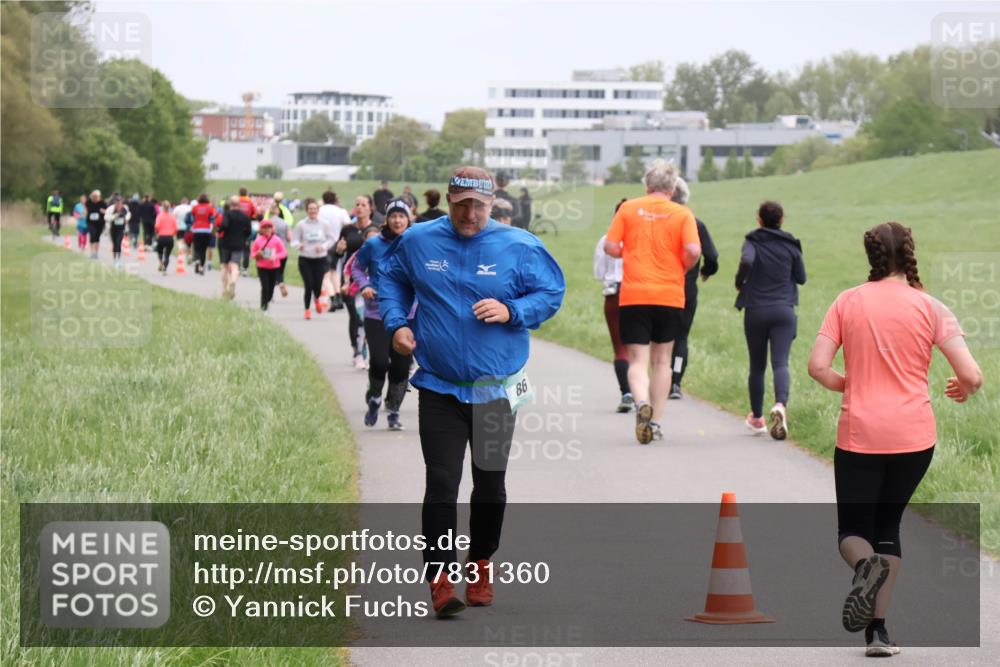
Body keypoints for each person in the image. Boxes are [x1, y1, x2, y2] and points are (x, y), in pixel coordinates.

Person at [378, 166, 565, 617]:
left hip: (496, 390)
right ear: (448, 199)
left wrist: (512, 309)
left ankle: (480, 563)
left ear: (492, 203)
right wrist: (396, 323)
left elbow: (552, 292)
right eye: (461, 204)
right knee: (441, 483)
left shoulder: (519, 245)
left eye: (478, 206)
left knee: (490, 486)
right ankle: (440, 580)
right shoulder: (420, 239)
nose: (469, 213)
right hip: (440, 388)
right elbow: (391, 278)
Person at [807, 221, 982, 657]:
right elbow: (972, 374)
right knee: (888, 526)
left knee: (853, 530)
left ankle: (866, 568)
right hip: (914, 437)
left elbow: (817, 366)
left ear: (871, 256)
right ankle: (878, 635)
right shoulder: (931, 307)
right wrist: (965, 389)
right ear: (909, 253)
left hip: (860, 433)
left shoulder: (847, 302)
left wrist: (849, 384)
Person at [604, 160, 700, 444]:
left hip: (634, 294)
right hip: (669, 295)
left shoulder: (629, 208)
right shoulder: (682, 213)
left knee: (637, 360)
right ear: (672, 188)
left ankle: (641, 401)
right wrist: (681, 265)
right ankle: (655, 421)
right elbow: (694, 249)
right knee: (662, 361)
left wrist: (627, 254)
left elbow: (610, 246)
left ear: (646, 186)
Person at [734, 201, 806, 440]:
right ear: (782, 220)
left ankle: (756, 417)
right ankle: (780, 405)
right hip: (784, 311)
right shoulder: (791, 245)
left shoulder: (753, 241)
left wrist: (739, 282)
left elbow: (746, 261)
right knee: (780, 362)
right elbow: (802, 278)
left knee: (757, 365)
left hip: (756, 309)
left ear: (759, 220)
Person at [352, 198, 416, 430]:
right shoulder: (374, 244)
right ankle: (375, 398)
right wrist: (364, 285)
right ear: (387, 219)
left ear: (409, 219)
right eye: (393, 216)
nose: (398, 220)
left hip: (408, 314)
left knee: (401, 367)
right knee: (379, 361)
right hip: (377, 312)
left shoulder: (417, 242)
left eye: (402, 216)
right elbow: (356, 267)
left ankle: (394, 411)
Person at [668, 178, 719, 400]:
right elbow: (713, 256)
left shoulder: (659, 221)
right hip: (686, 289)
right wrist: (707, 270)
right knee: (681, 337)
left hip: (660, 286)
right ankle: (675, 382)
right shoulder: (695, 223)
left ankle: (654, 378)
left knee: (659, 338)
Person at [594, 199, 633, 412]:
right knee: (638, 349)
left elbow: (599, 273)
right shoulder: (640, 238)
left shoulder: (605, 240)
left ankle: (626, 392)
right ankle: (641, 392)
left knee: (620, 349)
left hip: (613, 294)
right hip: (636, 292)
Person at [336, 195, 378, 365]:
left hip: (371, 281)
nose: (359, 207)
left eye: (363, 204)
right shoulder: (347, 229)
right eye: (357, 204)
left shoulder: (376, 230)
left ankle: (366, 349)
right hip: (350, 280)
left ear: (370, 208)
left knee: (367, 316)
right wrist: (338, 251)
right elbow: (337, 254)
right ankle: (356, 351)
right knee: (354, 316)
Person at [291, 199, 336, 319]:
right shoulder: (301, 224)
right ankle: (307, 310)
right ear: (307, 210)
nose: (312, 211)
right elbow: (294, 240)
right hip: (305, 258)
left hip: (320, 259)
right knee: (308, 284)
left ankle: (317, 299)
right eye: (310, 209)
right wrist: (298, 245)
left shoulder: (324, 223)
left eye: (314, 209)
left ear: (318, 210)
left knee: (317, 285)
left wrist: (323, 246)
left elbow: (332, 239)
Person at [318, 190, 352, 310]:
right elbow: (348, 224)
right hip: (337, 243)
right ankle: (338, 296)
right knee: (334, 271)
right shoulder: (340, 211)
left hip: (324, 244)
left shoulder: (319, 210)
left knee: (325, 274)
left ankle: (332, 298)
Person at [218, 195, 253, 300]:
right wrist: (243, 236)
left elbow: (224, 225)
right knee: (235, 266)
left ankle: (225, 289)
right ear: (239, 205)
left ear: (231, 204)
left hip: (226, 243)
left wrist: (219, 231)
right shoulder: (245, 217)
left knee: (224, 266)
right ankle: (233, 281)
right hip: (239, 243)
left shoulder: (227, 214)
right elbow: (249, 231)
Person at [251, 218, 288, 311]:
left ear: (272, 229)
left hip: (274, 267)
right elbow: (252, 254)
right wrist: (257, 254)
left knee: (271, 288)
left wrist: (276, 256)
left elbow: (284, 253)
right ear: (261, 229)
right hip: (262, 267)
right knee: (265, 287)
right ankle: (263, 307)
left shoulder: (277, 240)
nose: (267, 229)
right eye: (264, 227)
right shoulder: (258, 240)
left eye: (269, 227)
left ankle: (267, 299)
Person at [266, 203, 291, 298]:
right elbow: (289, 238)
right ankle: (280, 282)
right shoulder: (284, 223)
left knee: (269, 272)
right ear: (278, 212)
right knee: (279, 271)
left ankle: (270, 293)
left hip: (268, 250)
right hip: (282, 250)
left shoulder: (267, 223)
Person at [189, 194, 218, 275]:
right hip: (206, 230)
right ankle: (201, 267)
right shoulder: (209, 208)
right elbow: (212, 219)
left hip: (196, 230)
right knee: (204, 249)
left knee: (197, 248)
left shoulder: (195, 208)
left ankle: (197, 260)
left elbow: (192, 218)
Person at [237, 187, 258, 277]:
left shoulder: (236, 201)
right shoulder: (250, 202)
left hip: (236, 228)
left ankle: (236, 267)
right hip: (247, 228)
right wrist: (250, 218)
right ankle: (245, 269)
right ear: (246, 193)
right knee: (246, 249)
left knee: (237, 249)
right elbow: (255, 214)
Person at [104, 198, 130, 268]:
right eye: (117, 203)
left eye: (120, 203)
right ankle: (115, 259)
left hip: (121, 229)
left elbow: (128, 215)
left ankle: (118, 259)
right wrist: (114, 217)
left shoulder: (124, 209)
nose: (118, 205)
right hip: (113, 229)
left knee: (119, 243)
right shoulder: (111, 209)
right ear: (115, 203)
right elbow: (106, 217)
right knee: (115, 244)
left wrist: (126, 219)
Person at [154, 201, 178, 274]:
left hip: (161, 237)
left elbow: (157, 226)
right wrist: (172, 233)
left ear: (162, 207)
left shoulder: (160, 216)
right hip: (169, 237)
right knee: (167, 255)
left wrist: (157, 232)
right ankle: (165, 268)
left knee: (159, 251)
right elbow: (176, 228)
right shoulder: (172, 217)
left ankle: (161, 262)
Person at [84, 190, 107, 260]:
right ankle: (92, 252)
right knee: (92, 235)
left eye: (96, 197)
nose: (94, 198)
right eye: (93, 196)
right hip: (91, 223)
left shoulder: (102, 203)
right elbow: (85, 209)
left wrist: (102, 211)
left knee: (97, 237)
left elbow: (106, 211)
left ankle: (96, 253)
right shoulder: (88, 202)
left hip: (100, 223)